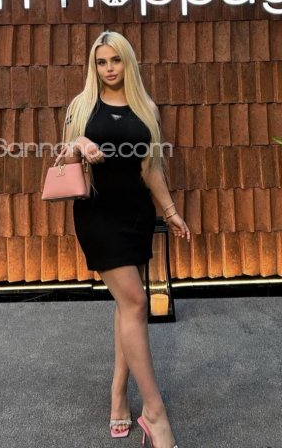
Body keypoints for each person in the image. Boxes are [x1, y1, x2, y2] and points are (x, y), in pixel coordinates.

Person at [56, 30, 190, 448]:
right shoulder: (81, 106)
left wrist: (170, 212)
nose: (109, 68)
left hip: (136, 215)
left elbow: (151, 168)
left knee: (126, 305)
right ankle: (154, 412)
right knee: (135, 301)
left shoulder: (146, 107)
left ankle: (118, 393)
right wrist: (79, 144)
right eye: (101, 62)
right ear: (93, 66)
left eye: (115, 60)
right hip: (97, 215)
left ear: (127, 62)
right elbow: (62, 162)